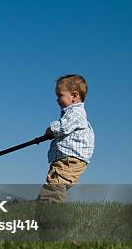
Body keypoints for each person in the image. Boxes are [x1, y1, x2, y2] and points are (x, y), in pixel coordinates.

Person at [38, 74, 95, 203]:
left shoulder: (75, 112)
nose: (57, 100)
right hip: (66, 159)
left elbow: (63, 127)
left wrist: (50, 130)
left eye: (60, 95)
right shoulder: (72, 113)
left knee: (54, 189)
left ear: (74, 96)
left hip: (69, 159)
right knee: (51, 187)